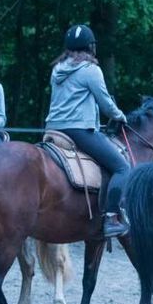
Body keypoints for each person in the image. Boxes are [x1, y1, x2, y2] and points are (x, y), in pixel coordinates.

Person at [45, 24, 130, 238]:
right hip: (79, 130)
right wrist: (120, 115)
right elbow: (105, 103)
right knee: (122, 167)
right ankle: (111, 217)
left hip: (53, 128)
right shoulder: (90, 70)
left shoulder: (57, 69)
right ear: (91, 47)